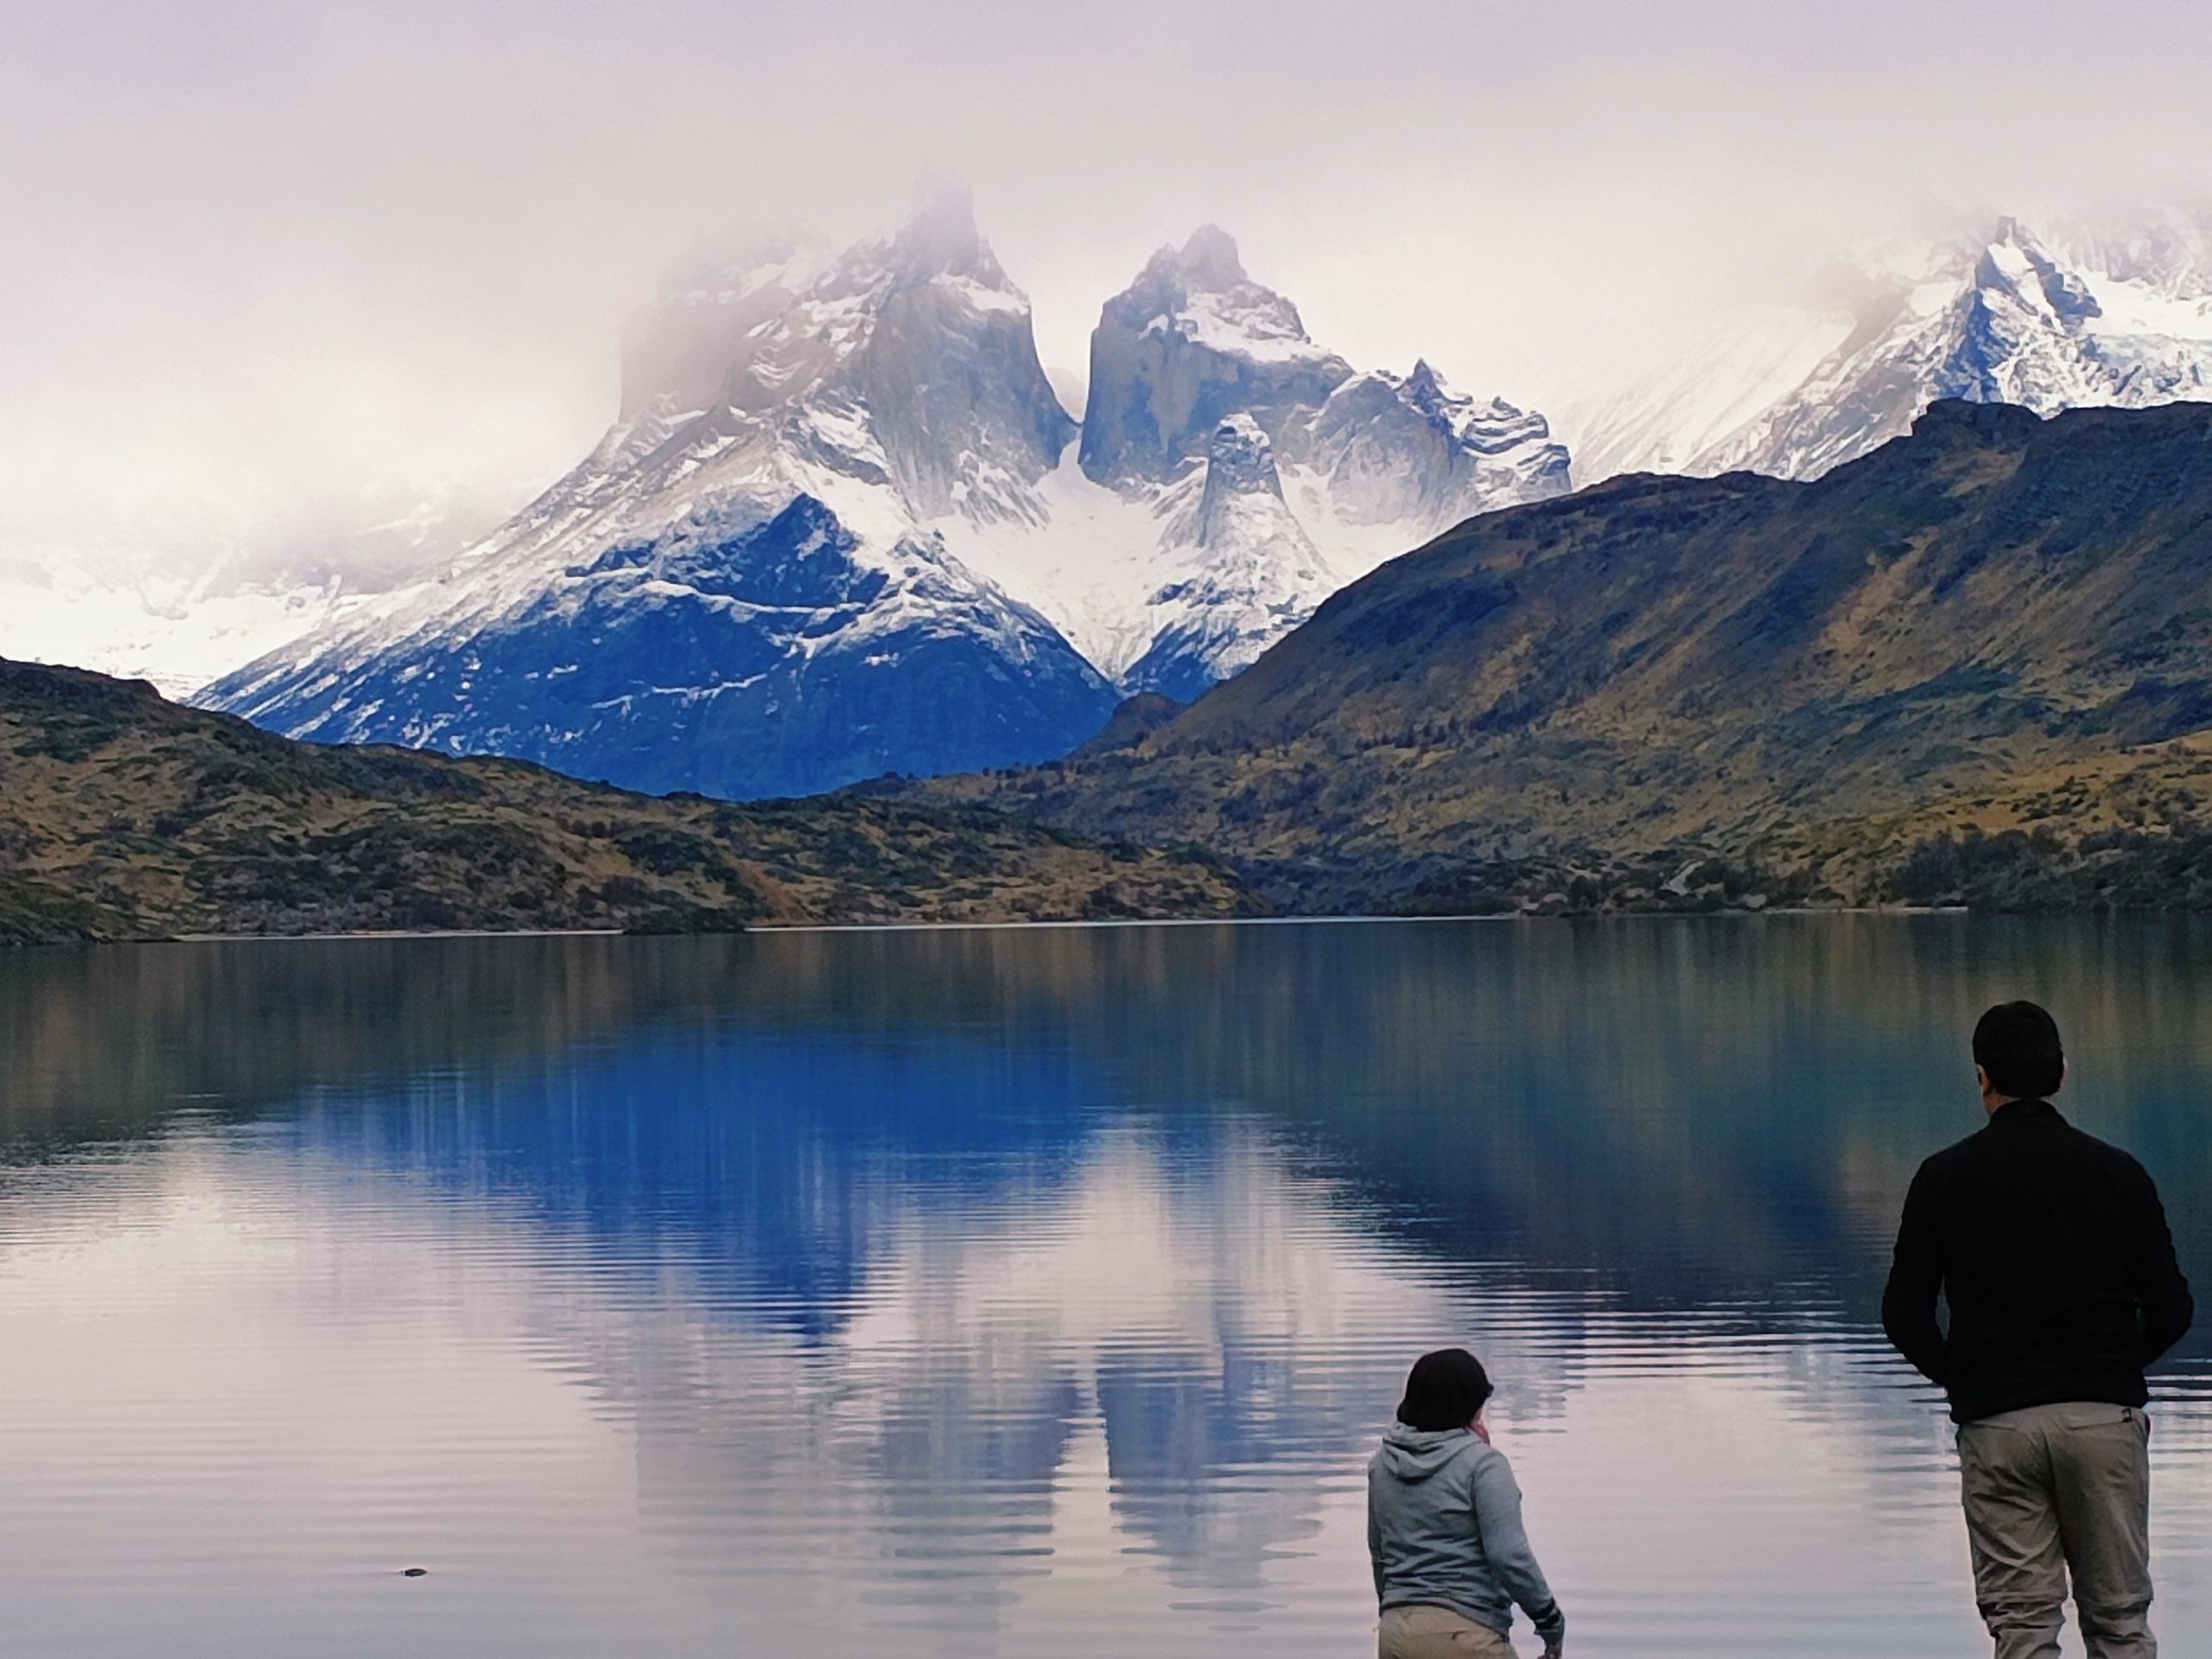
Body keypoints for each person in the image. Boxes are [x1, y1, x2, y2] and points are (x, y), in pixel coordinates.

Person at [1883, 1000, 2193, 1659]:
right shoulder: (2119, 1173)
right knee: (2119, 1624)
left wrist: (1966, 1375)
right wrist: (2112, 1367)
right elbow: (2173, 1308)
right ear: (2062, 1075)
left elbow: (1904, 1316)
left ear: (1982, 1078)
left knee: (2024, 1629)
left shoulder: (1943, 1178)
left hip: (1999, 1422)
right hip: (2102, 1421)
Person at [1367, 1347, 1565, 1659]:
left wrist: (1397, 1609)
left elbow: (1379, 1554)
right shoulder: (1484, 1466)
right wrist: (1549, 1620)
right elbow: (1508, 1555)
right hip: (1465, 1634)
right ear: (1466, 1407)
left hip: (1396, 1632)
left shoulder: (1381, 1465)